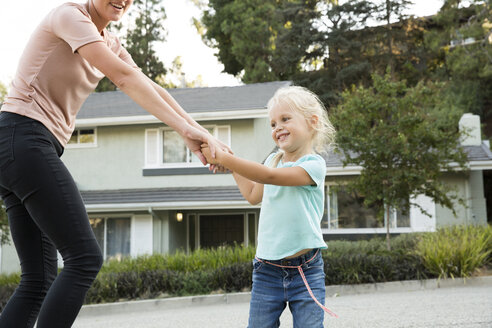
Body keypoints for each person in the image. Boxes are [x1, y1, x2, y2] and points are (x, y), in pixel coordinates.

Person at [0, 1, 226, 327]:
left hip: (20, 148)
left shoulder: (111, 42)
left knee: (38, 279)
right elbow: (122, 77)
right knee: (85, 258)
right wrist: (183, 130)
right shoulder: (70, 16)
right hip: (22, 138)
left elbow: (151, 87)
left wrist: (198, 130)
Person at [202, 85, 337, 327]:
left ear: (312, 122)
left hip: (306, 269)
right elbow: (253, 194)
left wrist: (225, 158)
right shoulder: (273, 160)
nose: (278, 128)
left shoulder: (314, 165)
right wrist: (232, 168)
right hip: (266, 270)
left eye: (285, 119)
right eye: (273, 124)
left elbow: (270, 177)